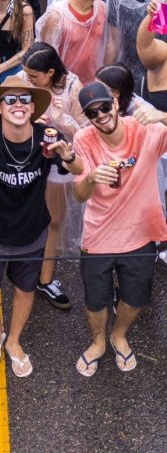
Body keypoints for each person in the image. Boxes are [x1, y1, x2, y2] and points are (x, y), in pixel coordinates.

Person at [0, 79, 82, 378]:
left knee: (25, 289)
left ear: (33, 108)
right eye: (10, 100)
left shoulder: (47, 137)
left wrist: (68, 156)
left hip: (31, 232)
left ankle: (14, 340)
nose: (18, 104)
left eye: (25, 99)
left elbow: (79, 169)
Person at [73, 82, 167, 376]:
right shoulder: (83, 139)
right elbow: (79, 195)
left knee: (135, 297)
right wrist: (91, 178)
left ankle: (119, 335)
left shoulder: (146, 129)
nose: (101, 115)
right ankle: (99, 342)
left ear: (115, 102)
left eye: (104, 107)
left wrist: (163, 116)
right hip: (98, 235)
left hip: (141, 233)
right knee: (95, 299)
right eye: (92, 113)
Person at [20, 43, 87, 310]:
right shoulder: (24, 79)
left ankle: (45, 279)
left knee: (53, 220)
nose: (28, 80)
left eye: (34, 76)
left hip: (59, 162)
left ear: (50, 73)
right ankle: (24, 267)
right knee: (27, 214)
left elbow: (85, 132)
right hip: (26, 157)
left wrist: (61, 119)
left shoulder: (72, 87)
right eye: (26, 74)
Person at [107, 0, 167, 91]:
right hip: (130, 77)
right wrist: (109, 77)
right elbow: (114, 41)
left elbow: (162, 33)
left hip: (162, 76)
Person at [37, 0, 109, 85]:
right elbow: (47, 59)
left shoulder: (101, 8)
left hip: (95, 84)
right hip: (65, 87)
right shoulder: (56, 17)